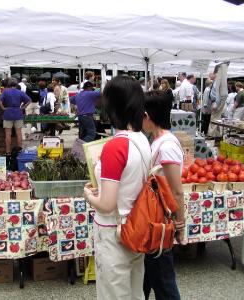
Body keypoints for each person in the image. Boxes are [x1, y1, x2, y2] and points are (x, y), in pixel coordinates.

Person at [83, 75, 151, 300]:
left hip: (114, 232)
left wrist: (88, 196)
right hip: (136, 227)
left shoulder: (115, 146)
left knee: (113, 293)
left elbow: (106, 204)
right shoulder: (142, 139)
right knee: (134, 292)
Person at [142, 90, 186, 300]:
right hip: (155, 221)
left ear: (148, 116)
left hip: (162, 223)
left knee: (164, 285)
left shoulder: (166, 146)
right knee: (150, 277)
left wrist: (180, 223)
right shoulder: (159, 141)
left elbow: (176, 190)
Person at [0, 78, 31, 153]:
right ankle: (19, 151)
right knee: (19, 133)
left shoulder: (5, 92)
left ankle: (8, 152)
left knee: (8, 134)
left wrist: (3, 108)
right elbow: (29, 100)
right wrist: (22, 108)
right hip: (18, 113)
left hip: (8, 113)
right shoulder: (20, 92)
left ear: (9, 84)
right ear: (16, 84)